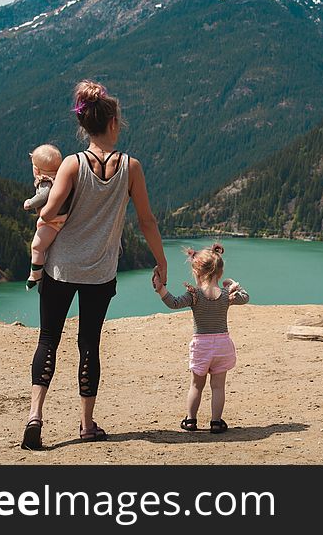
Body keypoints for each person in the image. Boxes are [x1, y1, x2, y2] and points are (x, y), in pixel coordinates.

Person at [21, 79, 167, 450]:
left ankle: (35, 415)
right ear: (114, 122)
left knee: (48, 338)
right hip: (100, 273)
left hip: (60, 269)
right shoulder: (131, 167)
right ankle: (87, 424)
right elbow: (146, 220)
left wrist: (42, 206)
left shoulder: (72, 164)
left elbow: (50, 211)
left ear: (84, 125)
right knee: (89, 345)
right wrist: (161, 261)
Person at [153, 243, 249, 434]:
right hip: (222, 346)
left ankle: (190, 421)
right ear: (219, 273)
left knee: (196, 385)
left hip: (202, 347)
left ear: (196, 272)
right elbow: (245, 298)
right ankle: (215, 422)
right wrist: (234, 285)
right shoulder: (226, 295)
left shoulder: (194, 295)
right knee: (218, 387)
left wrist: (160, 289)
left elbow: (173, 303)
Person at [23, 144, 71, 290]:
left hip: (53, 222)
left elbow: (42, 197)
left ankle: (35, 274)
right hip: (65, 217)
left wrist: (29, 203)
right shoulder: (63, 177)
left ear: (36, 169)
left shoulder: (45, 181)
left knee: (37, 246)